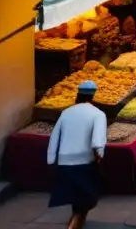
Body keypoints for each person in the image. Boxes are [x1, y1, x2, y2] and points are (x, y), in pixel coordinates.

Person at [47, 81, 106, 229]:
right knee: (86, 201)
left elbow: (54, 137)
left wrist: (51, 158)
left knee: (78, 201)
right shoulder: (98, 114)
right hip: (84, 163)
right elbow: (97, 141)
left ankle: (77, 223)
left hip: (64, 163)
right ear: (93, 96)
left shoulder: (66, 113)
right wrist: (100, 155)